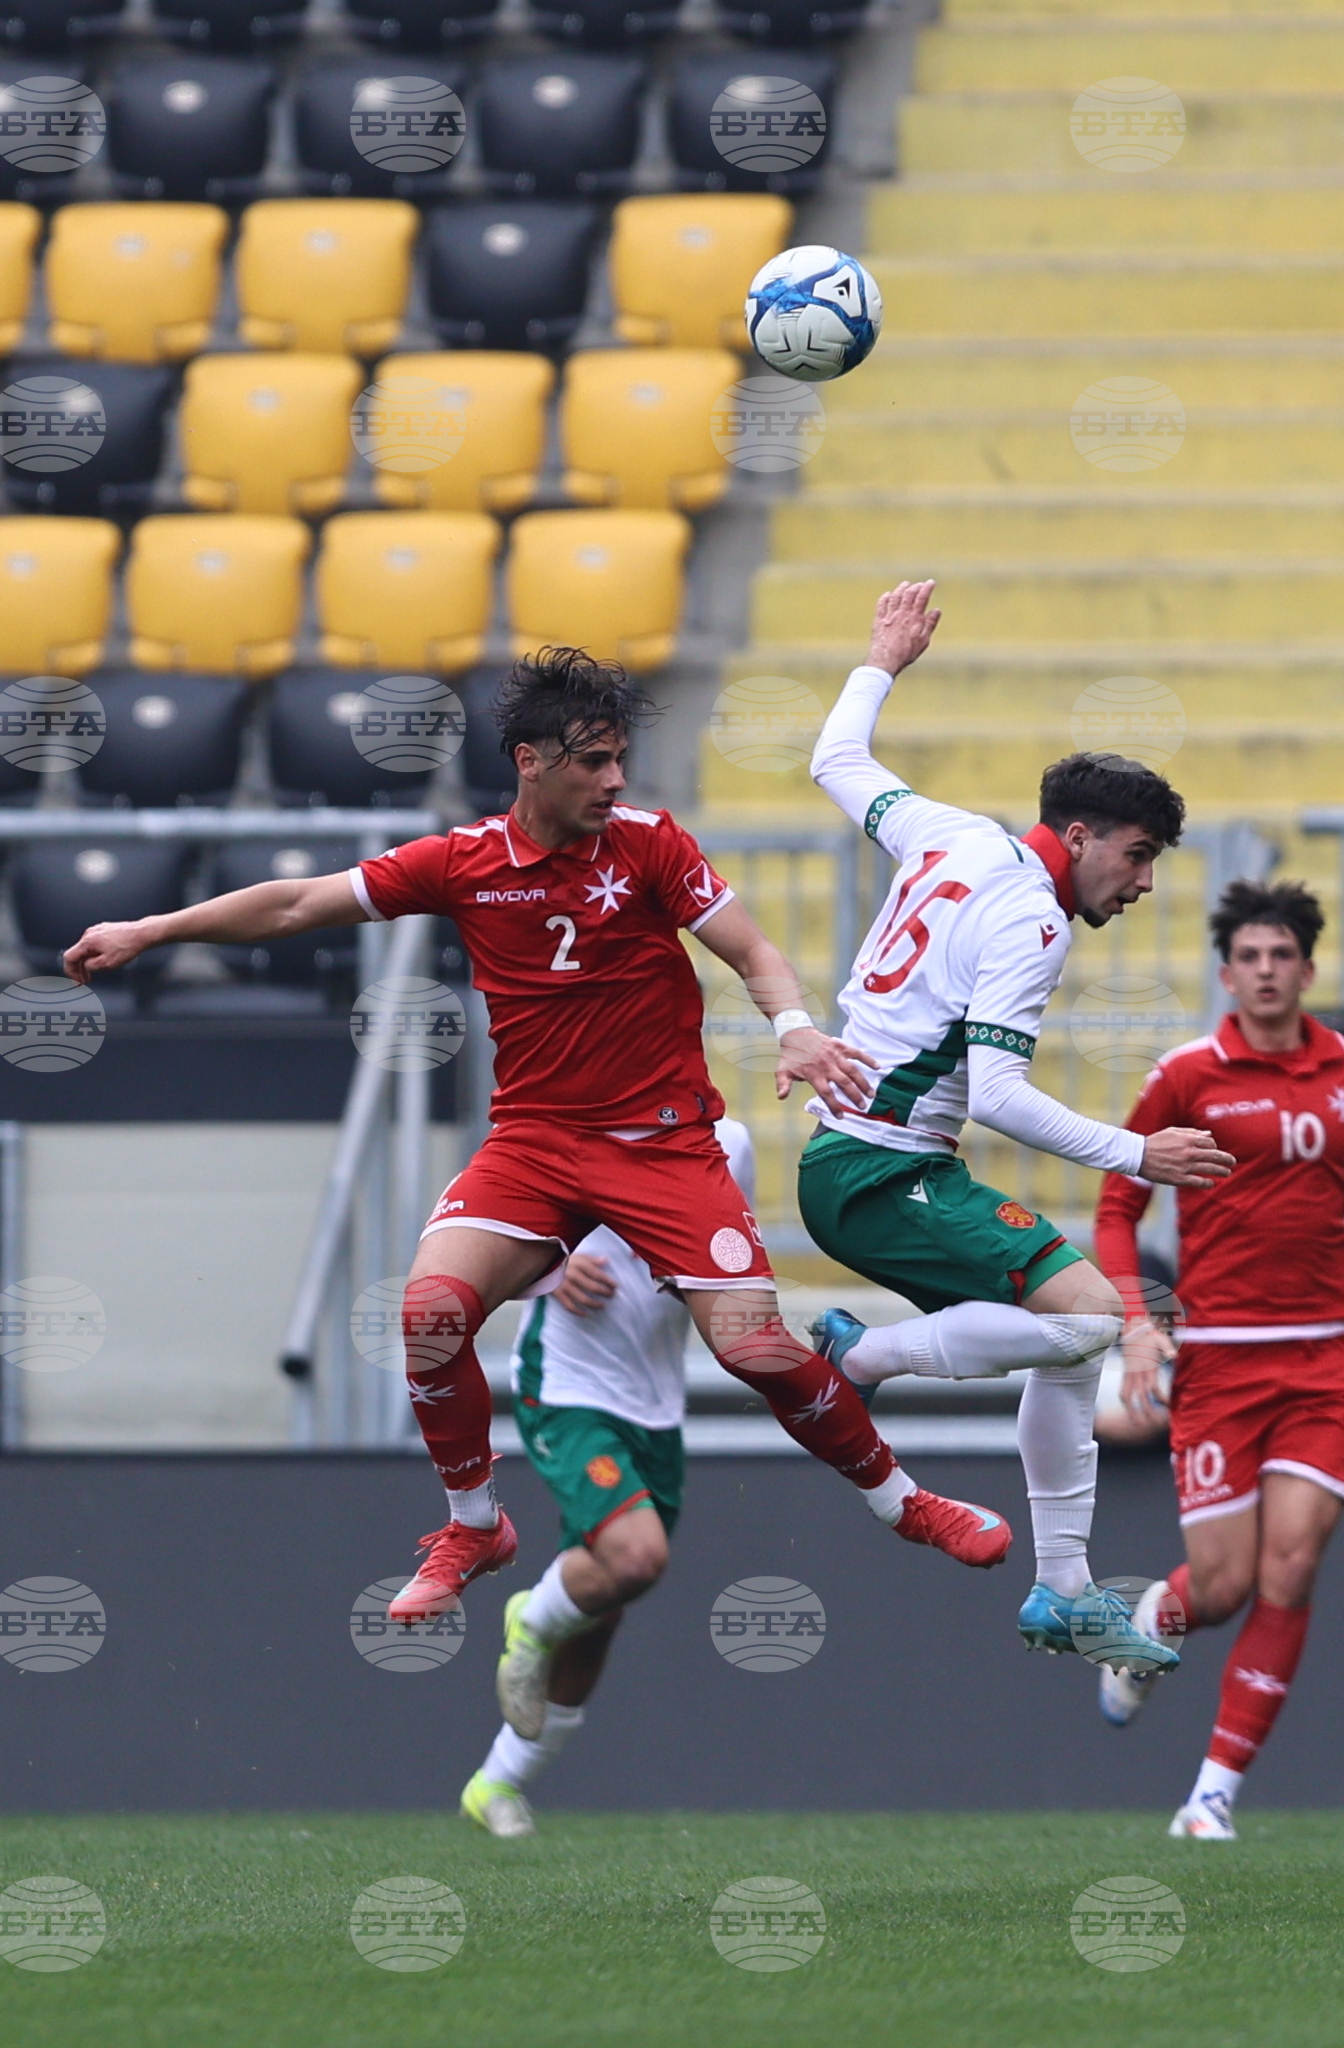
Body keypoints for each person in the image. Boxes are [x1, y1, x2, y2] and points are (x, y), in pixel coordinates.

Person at [63, 648, 1015, 1619]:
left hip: (663, 1143)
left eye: (619, 759)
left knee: (754, 1348)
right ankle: (474, 1522)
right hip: (536, 1143)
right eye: (592, 761)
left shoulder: (651, 845)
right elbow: (300, 901)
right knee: (430, 1310)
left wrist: (795, 1026)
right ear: (529, 761)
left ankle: (904, 1502)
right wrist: (151, 928)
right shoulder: (465, 860)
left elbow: (752, 949)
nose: (613, 779)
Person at [797, 581, 1235, 1677]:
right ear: (1079, 835)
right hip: (877, 1169)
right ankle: (868, 1355)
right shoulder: (1032, 917)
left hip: (870, 1160)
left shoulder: (950, 832)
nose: (1140, 881)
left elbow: (836, 763)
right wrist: (1141, 1151)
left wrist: (880, 661)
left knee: (1082, 1325)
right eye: (1135, 856)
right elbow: (994, 1093)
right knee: (1091, 1320)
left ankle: (1066, 1589)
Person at [1094, 878, 1344, 1839]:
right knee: (1225, 1586)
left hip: (1324, 1362)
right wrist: (1139, 1323)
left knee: (1291, 1565)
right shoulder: (1187, 1076)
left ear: (1308, 970)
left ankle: (1211, 1798)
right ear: (1226, 970)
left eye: (1284, 956)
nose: (1268, 971)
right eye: (1250, 956)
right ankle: (1157, 1619)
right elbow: (1118, 1208)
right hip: (1223, 1365)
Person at [461, 1115, 754, 1840]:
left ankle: (499, 1781)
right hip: (568, 1387)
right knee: (637, 1556)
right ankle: (528, 1620)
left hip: (655, 1404)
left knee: (605, 1607)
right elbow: (463, 1253)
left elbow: (728, 1263)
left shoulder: (732, 1146)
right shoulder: (553, 1131)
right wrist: (548, 1271)